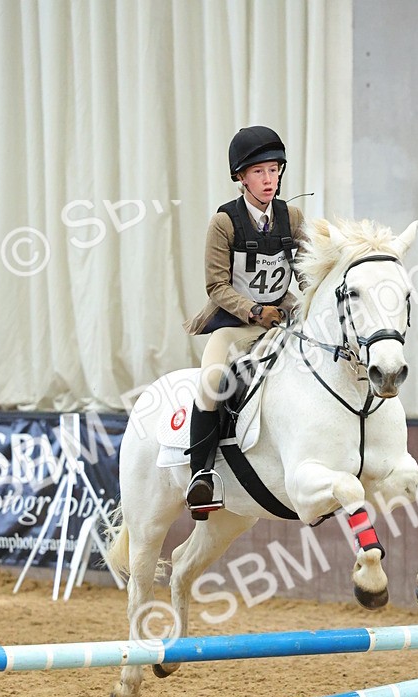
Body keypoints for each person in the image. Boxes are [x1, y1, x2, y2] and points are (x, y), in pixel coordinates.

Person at [182, 125, 305, 518]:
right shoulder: (225, 222)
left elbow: (305, 271)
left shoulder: (293, 216)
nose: (269, 180)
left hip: (281, 321)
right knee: (211, 382)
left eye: (274, 170)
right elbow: (215, 284)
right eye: (258, 172)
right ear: (240, 176)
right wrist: (254, 311)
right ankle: (201, 476)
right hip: (237, 324)